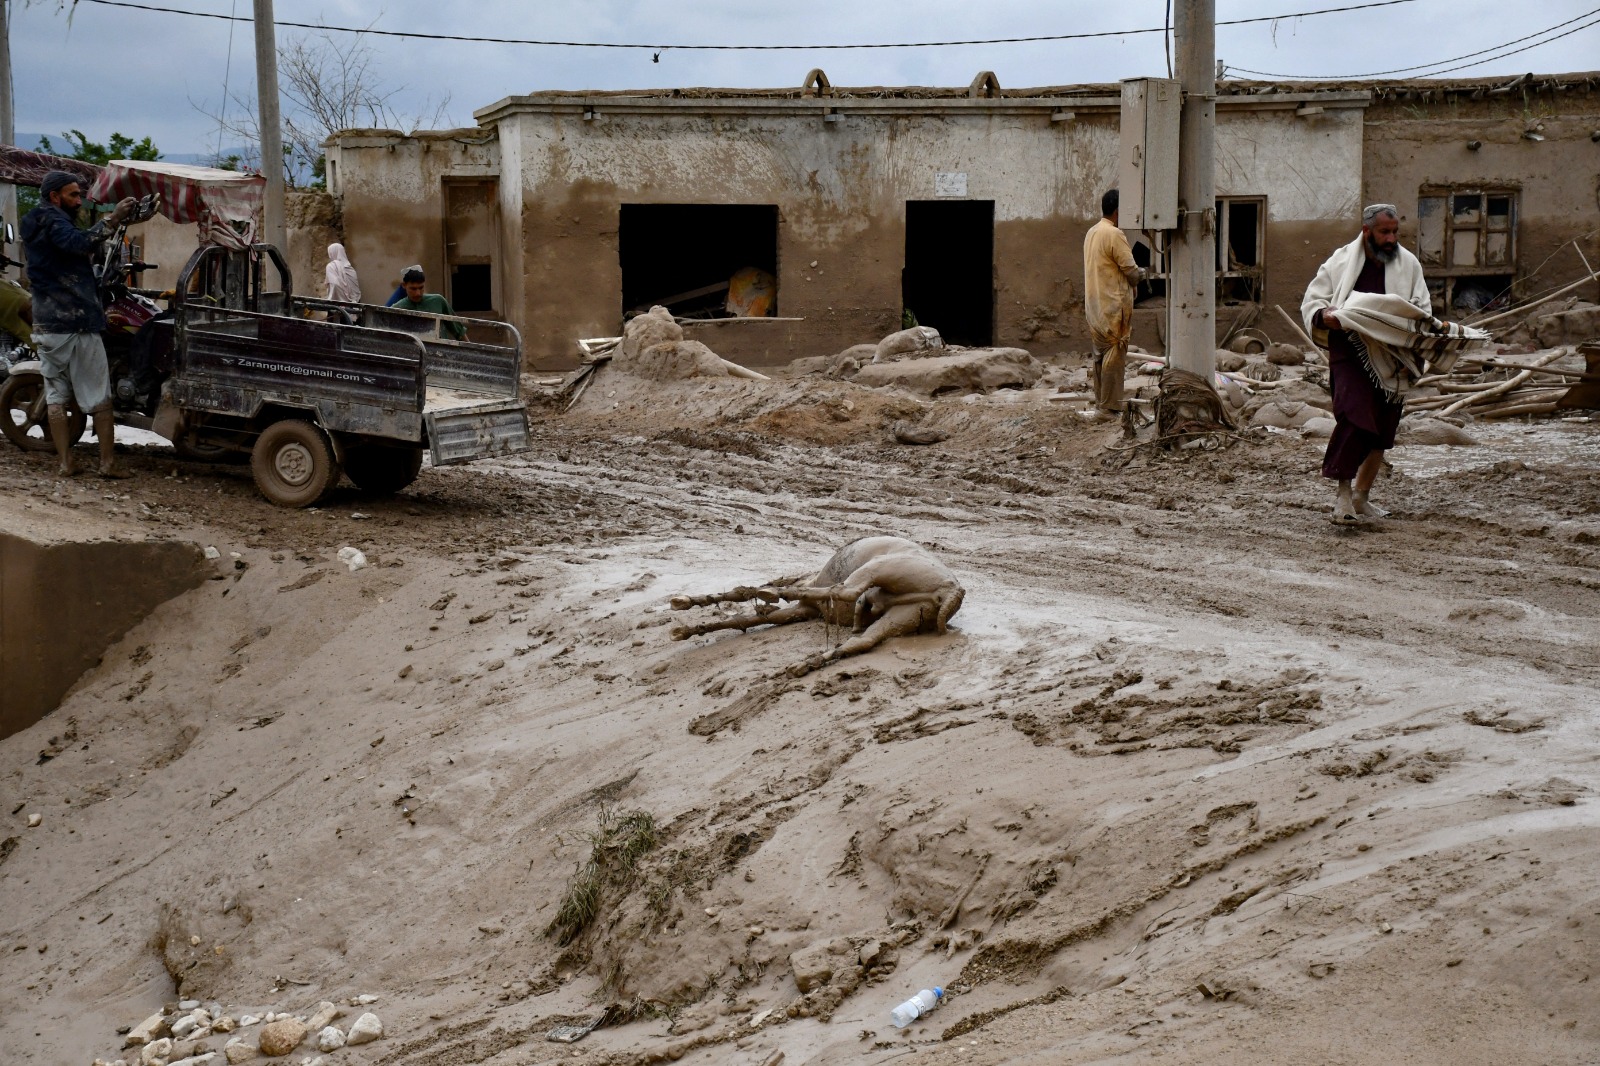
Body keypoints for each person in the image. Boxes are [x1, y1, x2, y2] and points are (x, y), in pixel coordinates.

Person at [1301, 204, 1429, 525]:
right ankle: (1343, 496)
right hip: (1350, 351)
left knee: (1383, 430)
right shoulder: (1341, 261)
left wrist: (1412, 352)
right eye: (1384, 232)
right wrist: (1326, 316)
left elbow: (1422, 310)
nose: (1391, 239)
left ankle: (1361, 497)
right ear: (1367, 232)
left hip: (1393, 354)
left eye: (1395, 232)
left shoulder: (1408, 264)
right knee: (1357, 419)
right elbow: (1314, 301)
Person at [21, 171, 138, 478]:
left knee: (56, 394)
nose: (78, 200)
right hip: (75, 321)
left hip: (46, 323)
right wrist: (111, 220)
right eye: (72, 195)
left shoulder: (33, 221)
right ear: (54, 197)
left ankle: (65, 463)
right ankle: (107, 463)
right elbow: (76, 243)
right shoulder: (54, 219)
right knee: (99, 396)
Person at [1082, 188, 1143, 419]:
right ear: (1118, 211)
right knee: (1114, 357)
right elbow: (1130, 269)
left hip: (1095, 307)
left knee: (1100, 356)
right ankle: (1109, 408)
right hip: (1112, 308)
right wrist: (1141, 275)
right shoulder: (1114, 234)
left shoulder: (1092, 232)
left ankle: (1101, 404)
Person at [390, 265, 467, 340]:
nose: (418, 293)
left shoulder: (438, 301)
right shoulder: (397, 309)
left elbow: (459, 331)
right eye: (413, 289)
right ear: (404, 285)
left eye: (421, 288)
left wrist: (473, 351)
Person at [324, 242, 361, 307]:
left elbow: (334, 285)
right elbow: (356, 293)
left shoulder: (331, 266)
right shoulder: (351, 270)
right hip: (355, 306)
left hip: (338, 307)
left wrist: (329, 300)